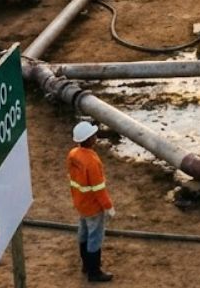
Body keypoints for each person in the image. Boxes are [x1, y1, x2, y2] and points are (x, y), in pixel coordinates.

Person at [68, 121, 115, 283]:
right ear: (89, 139)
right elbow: (98, 188)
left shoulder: (73, 154)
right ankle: (94, 272)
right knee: (95, 236)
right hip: (93, 207)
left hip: (80, 202)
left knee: (83, 233)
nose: (96, 137)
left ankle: (86, 265)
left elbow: (73, 178)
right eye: (93, 135)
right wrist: (108, 207)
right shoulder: (92, 161)